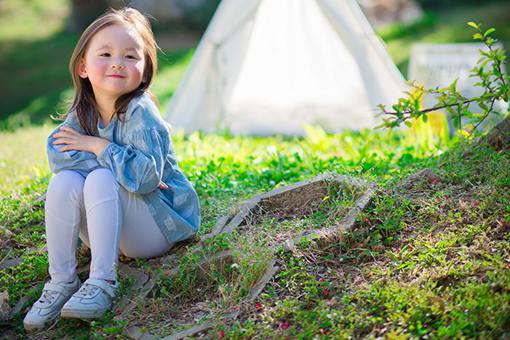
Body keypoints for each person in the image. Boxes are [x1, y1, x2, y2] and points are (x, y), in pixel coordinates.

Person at [23, 7, 200, 332]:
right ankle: (61, 281)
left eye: (131, 56)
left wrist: (98, 147)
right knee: (65, 182)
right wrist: (122, 168)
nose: (118, 62)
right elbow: (60, 156)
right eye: (105, 53)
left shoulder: (140, 114)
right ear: (83, 66)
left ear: (144, 71)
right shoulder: (82, 113)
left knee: (100, 176)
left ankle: (102, 282)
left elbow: (146, 180)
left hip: (154, 228)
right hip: (110, 225)